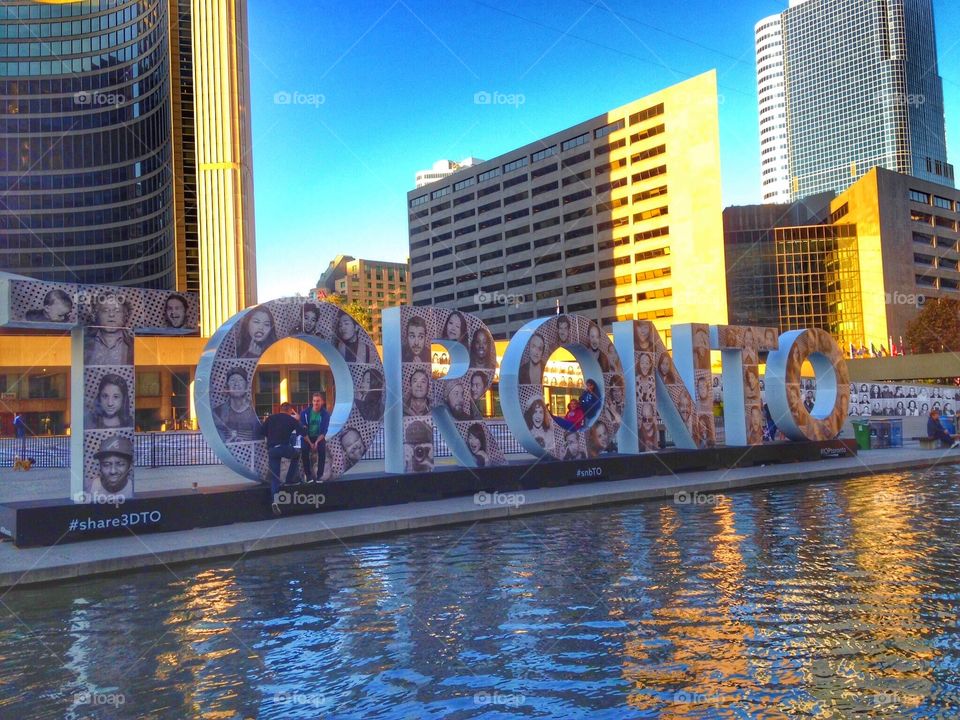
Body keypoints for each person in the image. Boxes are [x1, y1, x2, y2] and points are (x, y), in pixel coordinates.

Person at [260, 402, 305, 514]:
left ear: (280, 409)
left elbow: (261, 431)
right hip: (284, 448)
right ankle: (289, 479)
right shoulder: (291, 420)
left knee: (275, 477)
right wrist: (299, 419)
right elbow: (302, 432)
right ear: (290, 410)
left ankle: (274, 500)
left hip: (272, 450)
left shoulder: (270, 418)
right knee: (296, 455)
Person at [213, 367, 262, 442]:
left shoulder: (255, 410)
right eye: (232, 380)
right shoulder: (218, 412)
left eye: (240, 380)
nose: (236, 384)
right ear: (227, 386)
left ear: (247, 385)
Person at [84, 294, 133, 366]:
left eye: (117, 311)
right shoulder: (82, 344)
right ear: (95, 315)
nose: (111, 314)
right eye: (105, 310)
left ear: (125, 316)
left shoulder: (136, 345)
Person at [299, 392, 330, 483]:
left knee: (322, 450)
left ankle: (319, 475)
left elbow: (324, 431)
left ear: (322, 402)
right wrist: (310, 443)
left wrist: (316, 442)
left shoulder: (325, 414)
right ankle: (308, 476)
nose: (316, 403)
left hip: (318, 437)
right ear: (312, 402)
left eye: (318, 401)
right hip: (307, 437)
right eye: (314, 401)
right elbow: (303, 432)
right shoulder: (304, 413)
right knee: (304, 450)